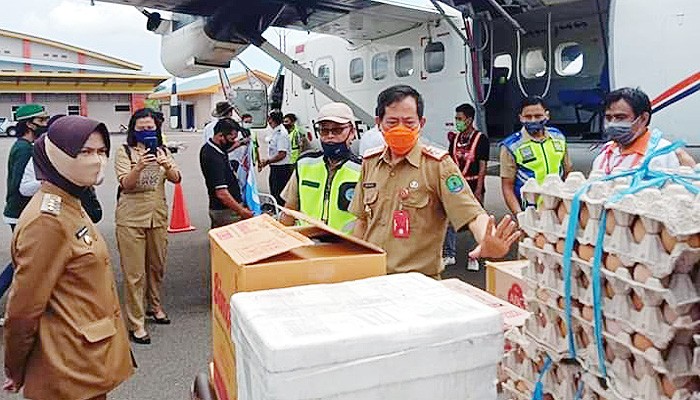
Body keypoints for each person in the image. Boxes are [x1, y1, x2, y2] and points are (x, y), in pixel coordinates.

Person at [3, 115, 133, 399]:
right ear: (56, 155)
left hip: (87, 361)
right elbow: (23, 310)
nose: (97, 161)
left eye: (101, 151)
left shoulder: (71, 200)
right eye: (84, 151)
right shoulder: (47, 220)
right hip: (68, 369)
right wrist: (15, 367)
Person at [350, 85, 519, 278]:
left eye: (409, 123)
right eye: (392, 122)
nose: (400, 129)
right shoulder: (370, 163)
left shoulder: (438, 165)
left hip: (419, 285)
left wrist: (486, 238)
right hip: (374, 279)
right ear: (379, 123)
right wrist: (352, 267)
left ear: (421, 123)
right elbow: (362, 221)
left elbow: (472, 214)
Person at [115, 108, 182, 345]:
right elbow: (126, 184)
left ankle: (155, 306)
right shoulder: (124, 152)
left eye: (150, 128)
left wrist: (166, 164)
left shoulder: (162, 150)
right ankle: (136, 323)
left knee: (156, 266)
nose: (146, 132)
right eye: (141, 128)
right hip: (131, 218)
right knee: (134, 273)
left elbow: (176, 178)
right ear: (133, 130)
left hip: (157, 216)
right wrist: (139, 166)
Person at [0, 104, 49, 326]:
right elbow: (21, 187)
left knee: (24, 261)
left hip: (20, 213)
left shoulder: (24, 145)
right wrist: (48, 182)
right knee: (23, 262)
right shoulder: (24, 149)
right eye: (42, 120)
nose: (45, 124)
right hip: (21, 214)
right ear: (29, 124)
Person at [280, 103, 361, 233]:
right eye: (324, 130)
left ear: (352, 132)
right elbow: (290, 209)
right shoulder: (304, 164)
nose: (330, 136)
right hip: (308, 244)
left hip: (345, 248)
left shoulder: (362, 170)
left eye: (337, 130)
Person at [19, 114, 104, 224]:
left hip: (83, 211)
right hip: (57, 215)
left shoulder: (83, 153)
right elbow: (24, 189)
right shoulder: (40, 158)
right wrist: (50, 180)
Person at [592, 87, 694, 173]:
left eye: (621, 117)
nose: (612, 123)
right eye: (609, 118)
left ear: (643, 119)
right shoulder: (606, 152)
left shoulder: (661, 154)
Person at [500, 96, 572, 215]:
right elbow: (507, 187)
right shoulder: (511, 145)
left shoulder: (558, 137)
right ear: (521, 118)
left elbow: (567, 172)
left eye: (538, 116)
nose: (533, 120)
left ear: (547, 116)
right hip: (530, 210)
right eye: (528, 117)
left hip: (559, 206)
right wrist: (519, 216)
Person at [442, 103, 490, 267]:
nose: (457, 122)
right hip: (456, 185)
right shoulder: (454, 139)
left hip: (473, 183)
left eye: (460, 119)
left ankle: (473, 257)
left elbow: (483, 165)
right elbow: (449, 162)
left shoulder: (480, 139)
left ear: (469, 120)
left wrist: (478, 189)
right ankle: (449, 253)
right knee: (449, 220)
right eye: (456, 119)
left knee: (474, 220)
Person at [200, 118, 254, 228]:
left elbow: (228, 149)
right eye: (231, 138)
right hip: (226, 211)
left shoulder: (214, 147)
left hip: (225, 209)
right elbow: (222, 193)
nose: (233, 141)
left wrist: (241, 143)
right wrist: (242, 211)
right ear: (220, 136)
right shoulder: (213, 158)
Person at [259, 110, 293, 207]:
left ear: (272, 120)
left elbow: (282, 154)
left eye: (269, 119)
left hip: (281, 169)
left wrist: (267, 161)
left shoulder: (281, 134)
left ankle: (281, 214)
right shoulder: (275, 132)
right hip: (275, 168)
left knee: (279, 195)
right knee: (274, 192)